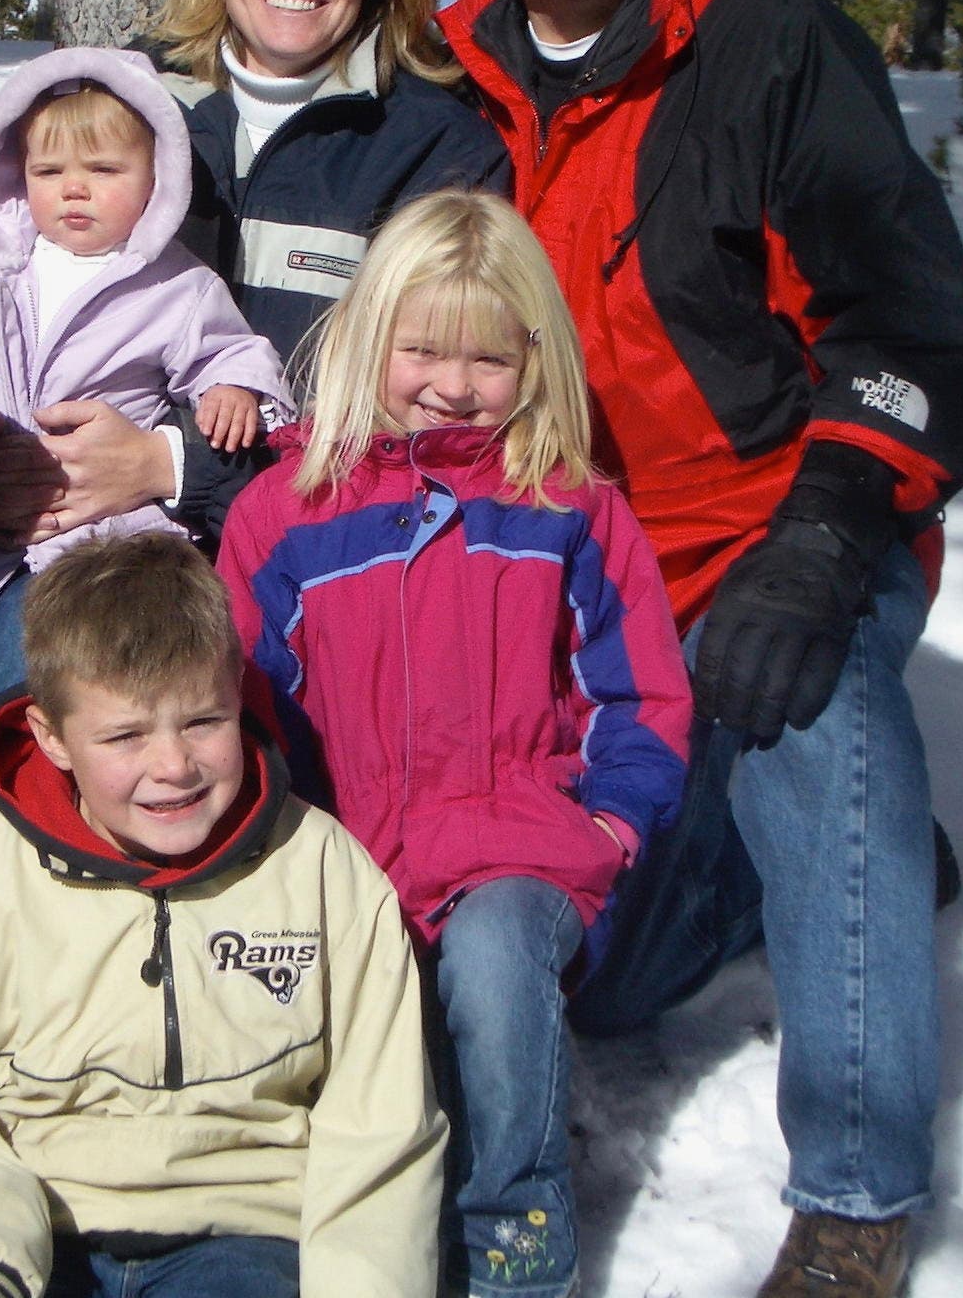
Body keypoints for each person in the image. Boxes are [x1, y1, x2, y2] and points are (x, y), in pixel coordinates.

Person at [434, 0, 963, 1298]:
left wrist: (821, 548)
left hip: (773, 525)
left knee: (810, 715)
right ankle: (811, 870)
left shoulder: (771, 46)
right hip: (573, 571)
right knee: (601, 987)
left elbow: (918, 339)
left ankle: (856, 1199)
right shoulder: (452, 75)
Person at [217, 190, 691, 1298]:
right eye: (419, 347)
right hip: (356, 860)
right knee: (358, 1042)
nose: (450, 381)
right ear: (369, 334)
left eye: (486, 357)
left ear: (535, 355)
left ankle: (517, 1233)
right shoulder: (286, 513)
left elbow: (640, 697)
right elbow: (245, 701)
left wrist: (609, 826)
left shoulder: (569, 507)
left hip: (522, 846)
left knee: (489, 963)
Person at [0, 533, 446, 1298]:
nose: (173, 766)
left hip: (245, 1239)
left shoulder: (325, 872)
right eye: (124, 735)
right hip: (32, 1232)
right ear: (52, 738)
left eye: (203, 722)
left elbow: (381, 1129)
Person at [0, 0, 508, 555]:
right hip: (68, 546)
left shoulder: (434, 146)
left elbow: (436, 408)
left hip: (321, 552)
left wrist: (169, 463)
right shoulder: (122, 102)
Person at [0, 47, 290, 761]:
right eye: (49, 172)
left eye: (105, 172)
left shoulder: (173, 286)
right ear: (13, 174)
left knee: (17, 691)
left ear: (156, 181)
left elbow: (234, 354)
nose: (74, 191)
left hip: (95, 553)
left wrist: (237, 390)